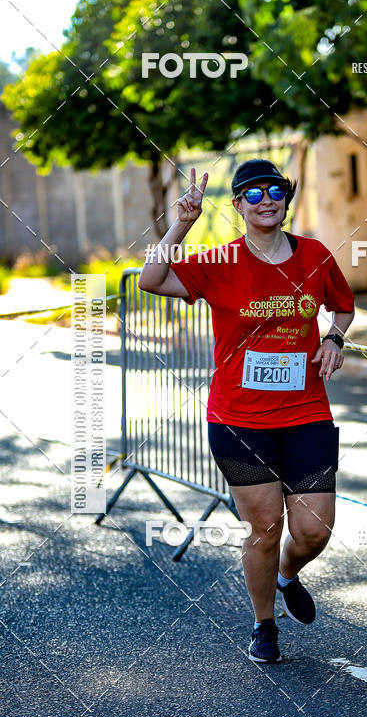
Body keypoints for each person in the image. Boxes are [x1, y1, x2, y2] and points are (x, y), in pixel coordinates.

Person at [138, 159, 355, 663]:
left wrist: (334, 338)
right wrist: (181, 225)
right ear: (237, 205)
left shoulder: (315, 256)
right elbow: (151, 279)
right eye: (252, 194)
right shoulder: (219, 262)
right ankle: (264, 625)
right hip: (239, 420)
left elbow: (343, 305)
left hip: (306, 413)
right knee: (266, 527)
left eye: (274, 190)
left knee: (314, 530)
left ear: (286, 198)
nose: (265, 200)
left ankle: (287, 574)